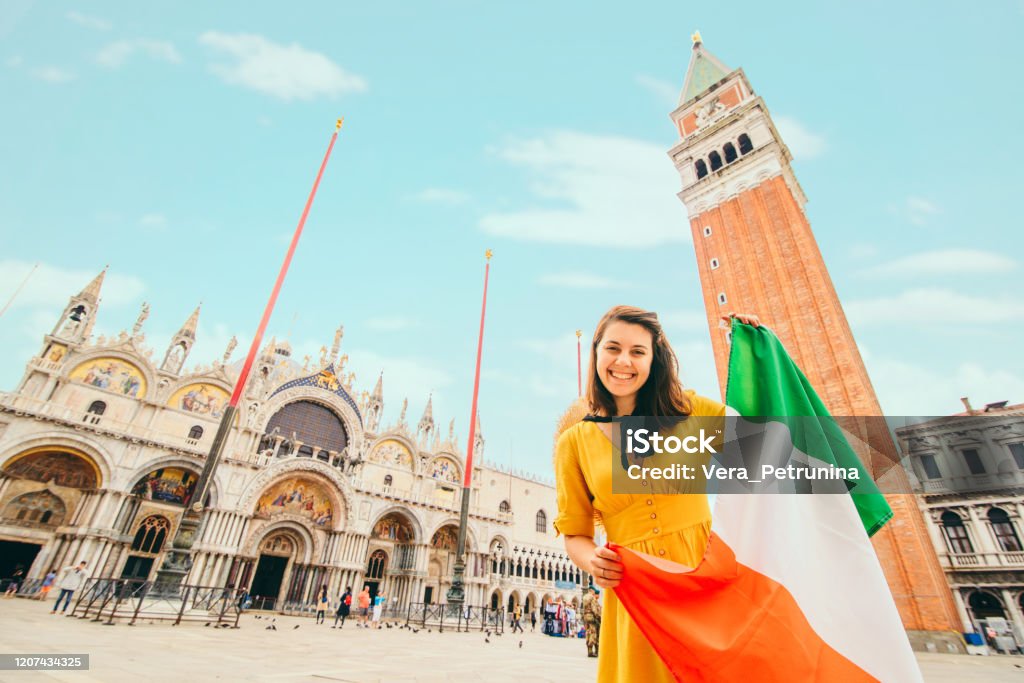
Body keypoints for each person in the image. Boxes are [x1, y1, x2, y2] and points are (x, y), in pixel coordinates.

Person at [554, 306, 758, 682]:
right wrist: (591, 560)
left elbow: (763, 445)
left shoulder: (693, 411)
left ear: (654, 359)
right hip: (633, 591)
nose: (623, 361)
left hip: (702, 579)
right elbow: (575, 532)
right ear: (596, 352)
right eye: (613, 348)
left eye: (637, 351)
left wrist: (754, 353)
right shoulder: (574, 443)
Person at [582, 585, 602, 658]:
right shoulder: (592, 597)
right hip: (592, 617)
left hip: (586, 616)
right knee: (593, 633)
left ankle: (589, 650)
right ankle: (592, 652)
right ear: (591, 590)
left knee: (588, 632)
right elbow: (594, 609)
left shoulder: (584, 597)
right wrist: (598, 616)